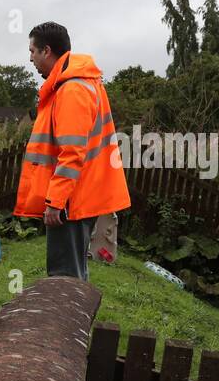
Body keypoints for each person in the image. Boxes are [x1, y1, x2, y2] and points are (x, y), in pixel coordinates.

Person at [14, 22, 131, 280]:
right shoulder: (77, 84)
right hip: (79, 195)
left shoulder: (71, 89)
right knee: (71, 274)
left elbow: (72, 152)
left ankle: (65, 321)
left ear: (47, 51)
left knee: (64, 278)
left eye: (32, 50)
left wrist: (55, 202)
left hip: (71, 200)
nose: (30, 57)